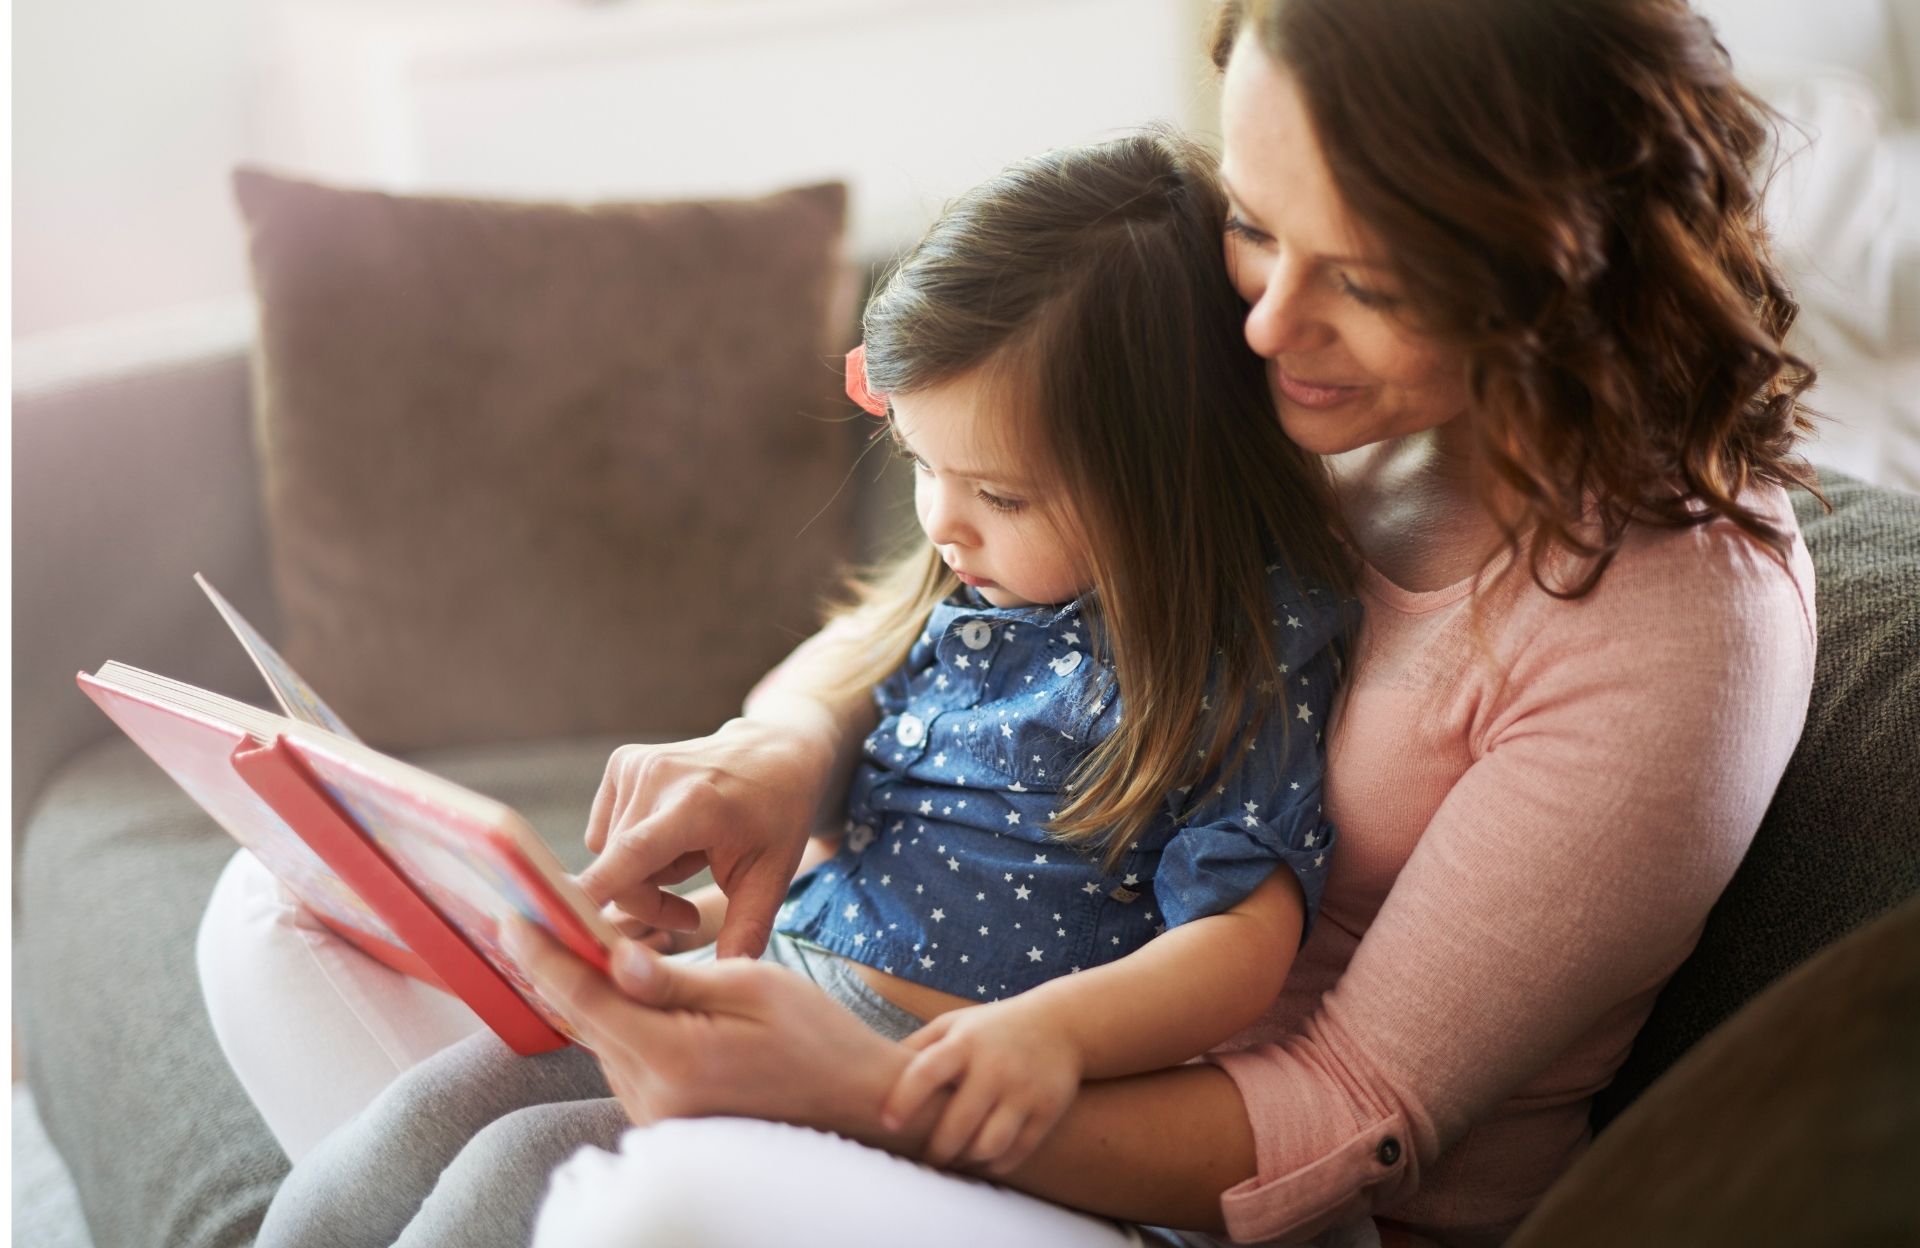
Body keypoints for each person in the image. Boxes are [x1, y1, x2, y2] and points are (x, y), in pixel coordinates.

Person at [199, 1, 1821, 1244]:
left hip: (1186, 1171)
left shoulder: (1676, 616)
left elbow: (1354, 1102)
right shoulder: (1289, 396)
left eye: (1371, 279)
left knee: (614, 1192)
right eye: (1257, 224)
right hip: (904, 1011)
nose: (1266, 320)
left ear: (1567, 263)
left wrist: (861, 1090)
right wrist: (784, 748)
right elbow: (950, 604)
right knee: (288, 931)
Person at [234, 129, 1362, 1248]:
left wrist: (1053, 1038)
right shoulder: (979, 601)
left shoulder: (1243, 655)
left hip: (934, 1087)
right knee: (445, 1104)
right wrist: (677, 928)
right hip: (792, 985)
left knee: (522, 1168)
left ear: (1173, 477)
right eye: (922, 466)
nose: (941, 522)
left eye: (1001, 495)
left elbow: (1239, 948)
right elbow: (882, 863)